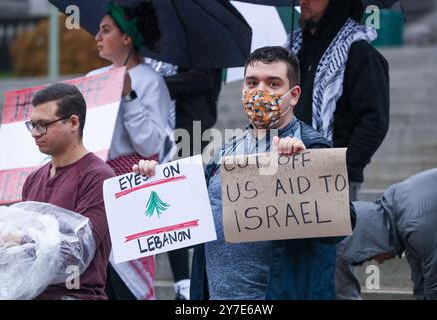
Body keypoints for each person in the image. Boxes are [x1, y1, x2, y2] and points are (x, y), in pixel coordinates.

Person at [134, 46, 343, 300]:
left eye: (273, 84)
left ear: (294, 95)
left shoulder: (310, 147)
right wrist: (156, 180)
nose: (260, 92)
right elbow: (186, 219)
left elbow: (339, 228)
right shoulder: (224, 152)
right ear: (243, 89)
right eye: (252, 82)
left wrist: (303, 167)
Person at [285, 0, 390, 299]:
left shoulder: (360, 52)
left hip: (334, 178)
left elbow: (374, 122)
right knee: (293, 268)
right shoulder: (290, 51)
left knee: (334, 273)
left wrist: (341, 168)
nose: (302, 1)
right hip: (286, 175)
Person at [87, 1, 174, 300]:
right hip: (92, 187)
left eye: (106, 30)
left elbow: (149, 145)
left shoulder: (151, 81)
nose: (97, 36)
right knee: (96, 276)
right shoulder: (92, 79)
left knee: (127, 281)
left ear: (126, 38)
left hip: (132, 186)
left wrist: (129, 96)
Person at [21, 83, 115, 300]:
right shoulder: (34, 179)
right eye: (32, 125)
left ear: (73, 122)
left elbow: (77, 251)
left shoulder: (99, 177)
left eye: (43, 125)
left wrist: (19, 240)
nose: (35, 133)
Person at [146, 58, 223, 300]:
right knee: (164, 208)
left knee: (182, 209)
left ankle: (189, 283)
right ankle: (182, 282)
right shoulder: (154, 45)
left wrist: (153, 83)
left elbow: (203, 79)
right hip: (155, 131)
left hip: (189, 133)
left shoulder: (203, 40)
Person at [338, 167, 437, 300]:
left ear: (371, 240)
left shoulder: (414, 226)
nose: (379, 262)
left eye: (369, 257)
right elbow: (421, 280)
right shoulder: (398, 207)